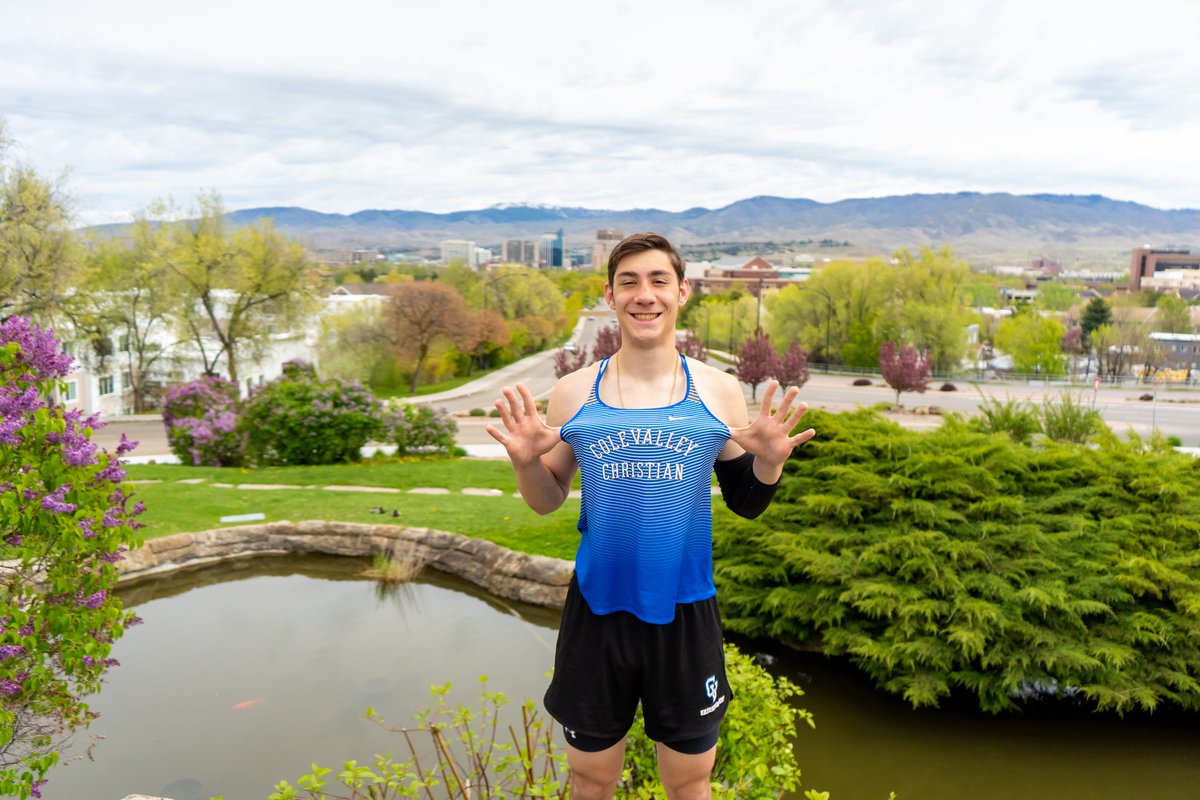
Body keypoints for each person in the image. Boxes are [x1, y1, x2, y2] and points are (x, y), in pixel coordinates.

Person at [486, 232, 815, 800]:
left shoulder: (718, 390)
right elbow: (547, 497)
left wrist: (769, 463)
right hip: (597, 613)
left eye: (659, 280)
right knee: (591, 778)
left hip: (686, 612)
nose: (645, 294)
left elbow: (746, 500)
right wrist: (525, 463)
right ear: (610, 295)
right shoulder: (574, 391)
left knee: (689, 781)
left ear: (682, 292)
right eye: (629, 282)